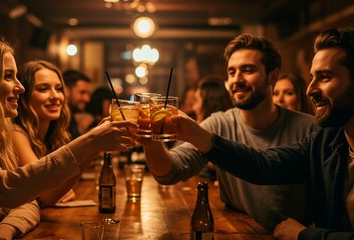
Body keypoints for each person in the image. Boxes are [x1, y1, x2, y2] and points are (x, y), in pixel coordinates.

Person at [144, 28, 354, 239]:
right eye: (231, 72)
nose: (309, 90)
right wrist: (167, 136)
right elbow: (262, 165)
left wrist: (305, 235)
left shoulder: (316, 130)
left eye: (325, 77)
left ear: (273, 76)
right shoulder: (329, 139)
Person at [0, 37, 137, 238]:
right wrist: (90, 141)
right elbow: (6, 189)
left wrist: (4, 231)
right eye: (7, 76)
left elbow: (28, 200)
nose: (20, 87)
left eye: (58, 88)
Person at [13, 60, 75, 204]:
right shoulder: (15, 132)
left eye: (59, 89)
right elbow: (45, 194)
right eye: (43, 89)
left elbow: (58, 187)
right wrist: (92, 145)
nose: (55, 96)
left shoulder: (53, 136)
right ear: (23, 96)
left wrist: (63, 189)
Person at [63, 70, 91, 140]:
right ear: (67, 90)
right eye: (82, 92)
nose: (87, 99)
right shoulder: (57, 119)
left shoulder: (70, 116)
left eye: (88, 93)